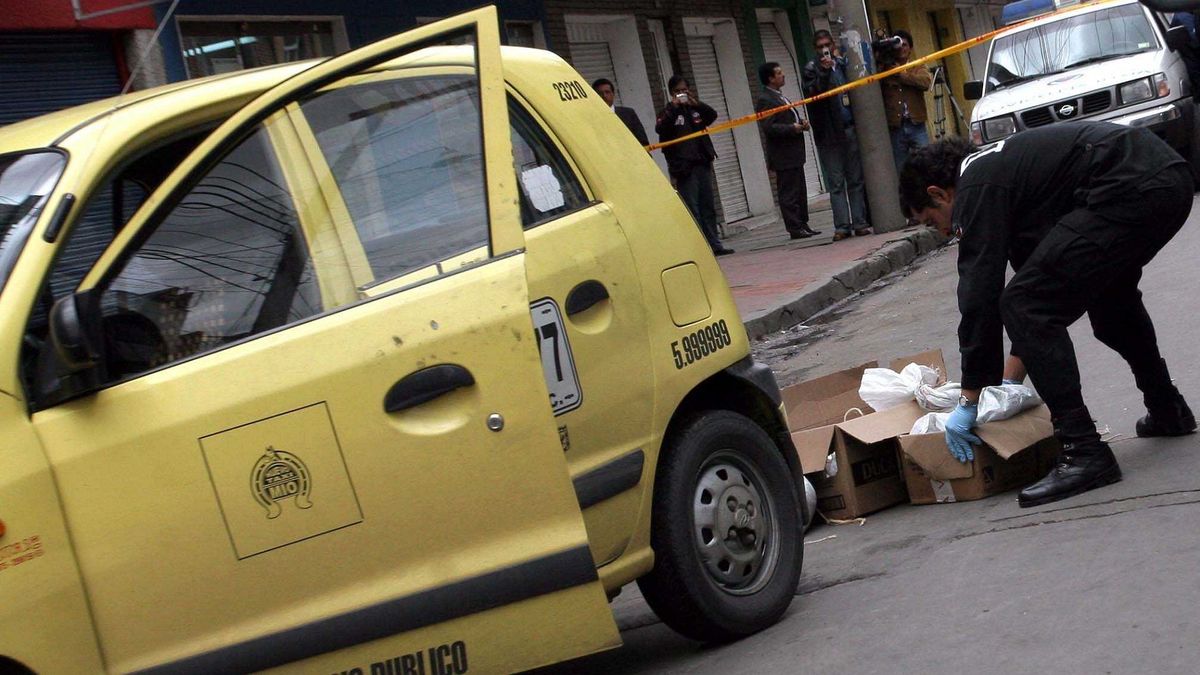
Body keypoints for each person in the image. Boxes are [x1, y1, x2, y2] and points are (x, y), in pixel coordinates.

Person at [899, 121, 1196, 508]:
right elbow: (1042, 292)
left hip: (1128, 186)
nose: (941, 232)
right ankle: (1166, 407)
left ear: (938, 193)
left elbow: (980, 293)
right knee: (1110, 303)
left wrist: (970, 400)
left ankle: (1083, 449)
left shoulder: (977, 184)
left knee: (1023, 303)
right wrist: (1007, 387)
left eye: (931, 221)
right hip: (1164, 178)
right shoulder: (1010, 174)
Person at [802, 30, 870, 242]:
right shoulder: (811, 69)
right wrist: (824, 71)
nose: (825, 50)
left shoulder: (842, 64)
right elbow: (814, 94)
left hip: (848, 128)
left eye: (827, 45)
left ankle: (859, 222)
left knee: (855, 179)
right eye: (820, 46)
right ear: (816, 49)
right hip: (829, 134)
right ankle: (842, 226)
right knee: (836, 182)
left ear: (833, 45)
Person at [656, 74, 733, 256]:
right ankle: (701, 247)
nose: (681, 95)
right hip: (684, 167)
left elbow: (712, 115)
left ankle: (715, 244)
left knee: (708, 206)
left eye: (684, 90)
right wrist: (674, 108)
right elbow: (660, 128)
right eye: (677, 92)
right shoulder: (668, 112)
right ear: (671, 94)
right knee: (693, 207)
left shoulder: (694, 109)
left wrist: (695, 103)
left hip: (702, 162)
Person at [755, 61, 820, 240]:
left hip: (795, 152)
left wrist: (801, 124)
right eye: (778, 73)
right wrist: (792, 128)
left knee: (800, 190)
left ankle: (803, 223)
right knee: (789, 192)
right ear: (770, 78)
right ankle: (794, 227)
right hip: (783, 154)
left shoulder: (781, 97)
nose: (783, 75)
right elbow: (769, 127)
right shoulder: (765, 99)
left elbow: (789, 117)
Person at [880, 30, 932, 171]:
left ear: (910, 48)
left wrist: (902, 74)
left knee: (927, 163)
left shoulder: (918, 65)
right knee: (902, 168)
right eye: (899, 45)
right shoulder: (885, 69)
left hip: (916, 125)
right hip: (896, 127)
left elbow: (926, 82)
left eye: (905, 45)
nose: (902, 48)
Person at [591, 77, 650, 147]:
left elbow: (643, 141)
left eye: (607, 92)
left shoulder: (628, 114)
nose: (604, 96)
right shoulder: (591, 119)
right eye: (600, 93)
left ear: (613, 94)